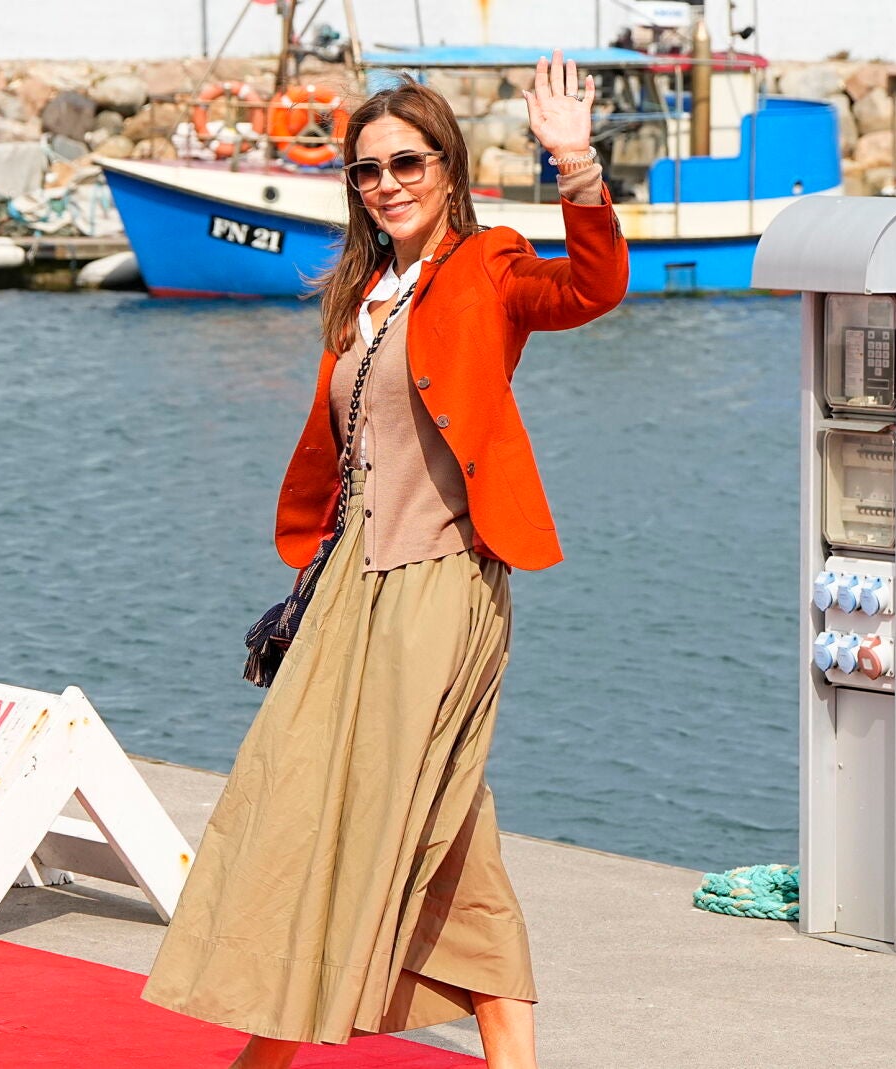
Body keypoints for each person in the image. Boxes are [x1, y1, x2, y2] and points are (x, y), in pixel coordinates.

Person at [142, 57, 627, 1068]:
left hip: (438, 577)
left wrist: (575, 165)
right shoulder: (361, 296)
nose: (387, 184)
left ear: (448, 167)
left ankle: (265, 1056)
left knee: (375, 808)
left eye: (408, 162)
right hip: (348, 588)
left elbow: (591, 288)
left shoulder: (488, 265)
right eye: (366, 170)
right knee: (331, 802)